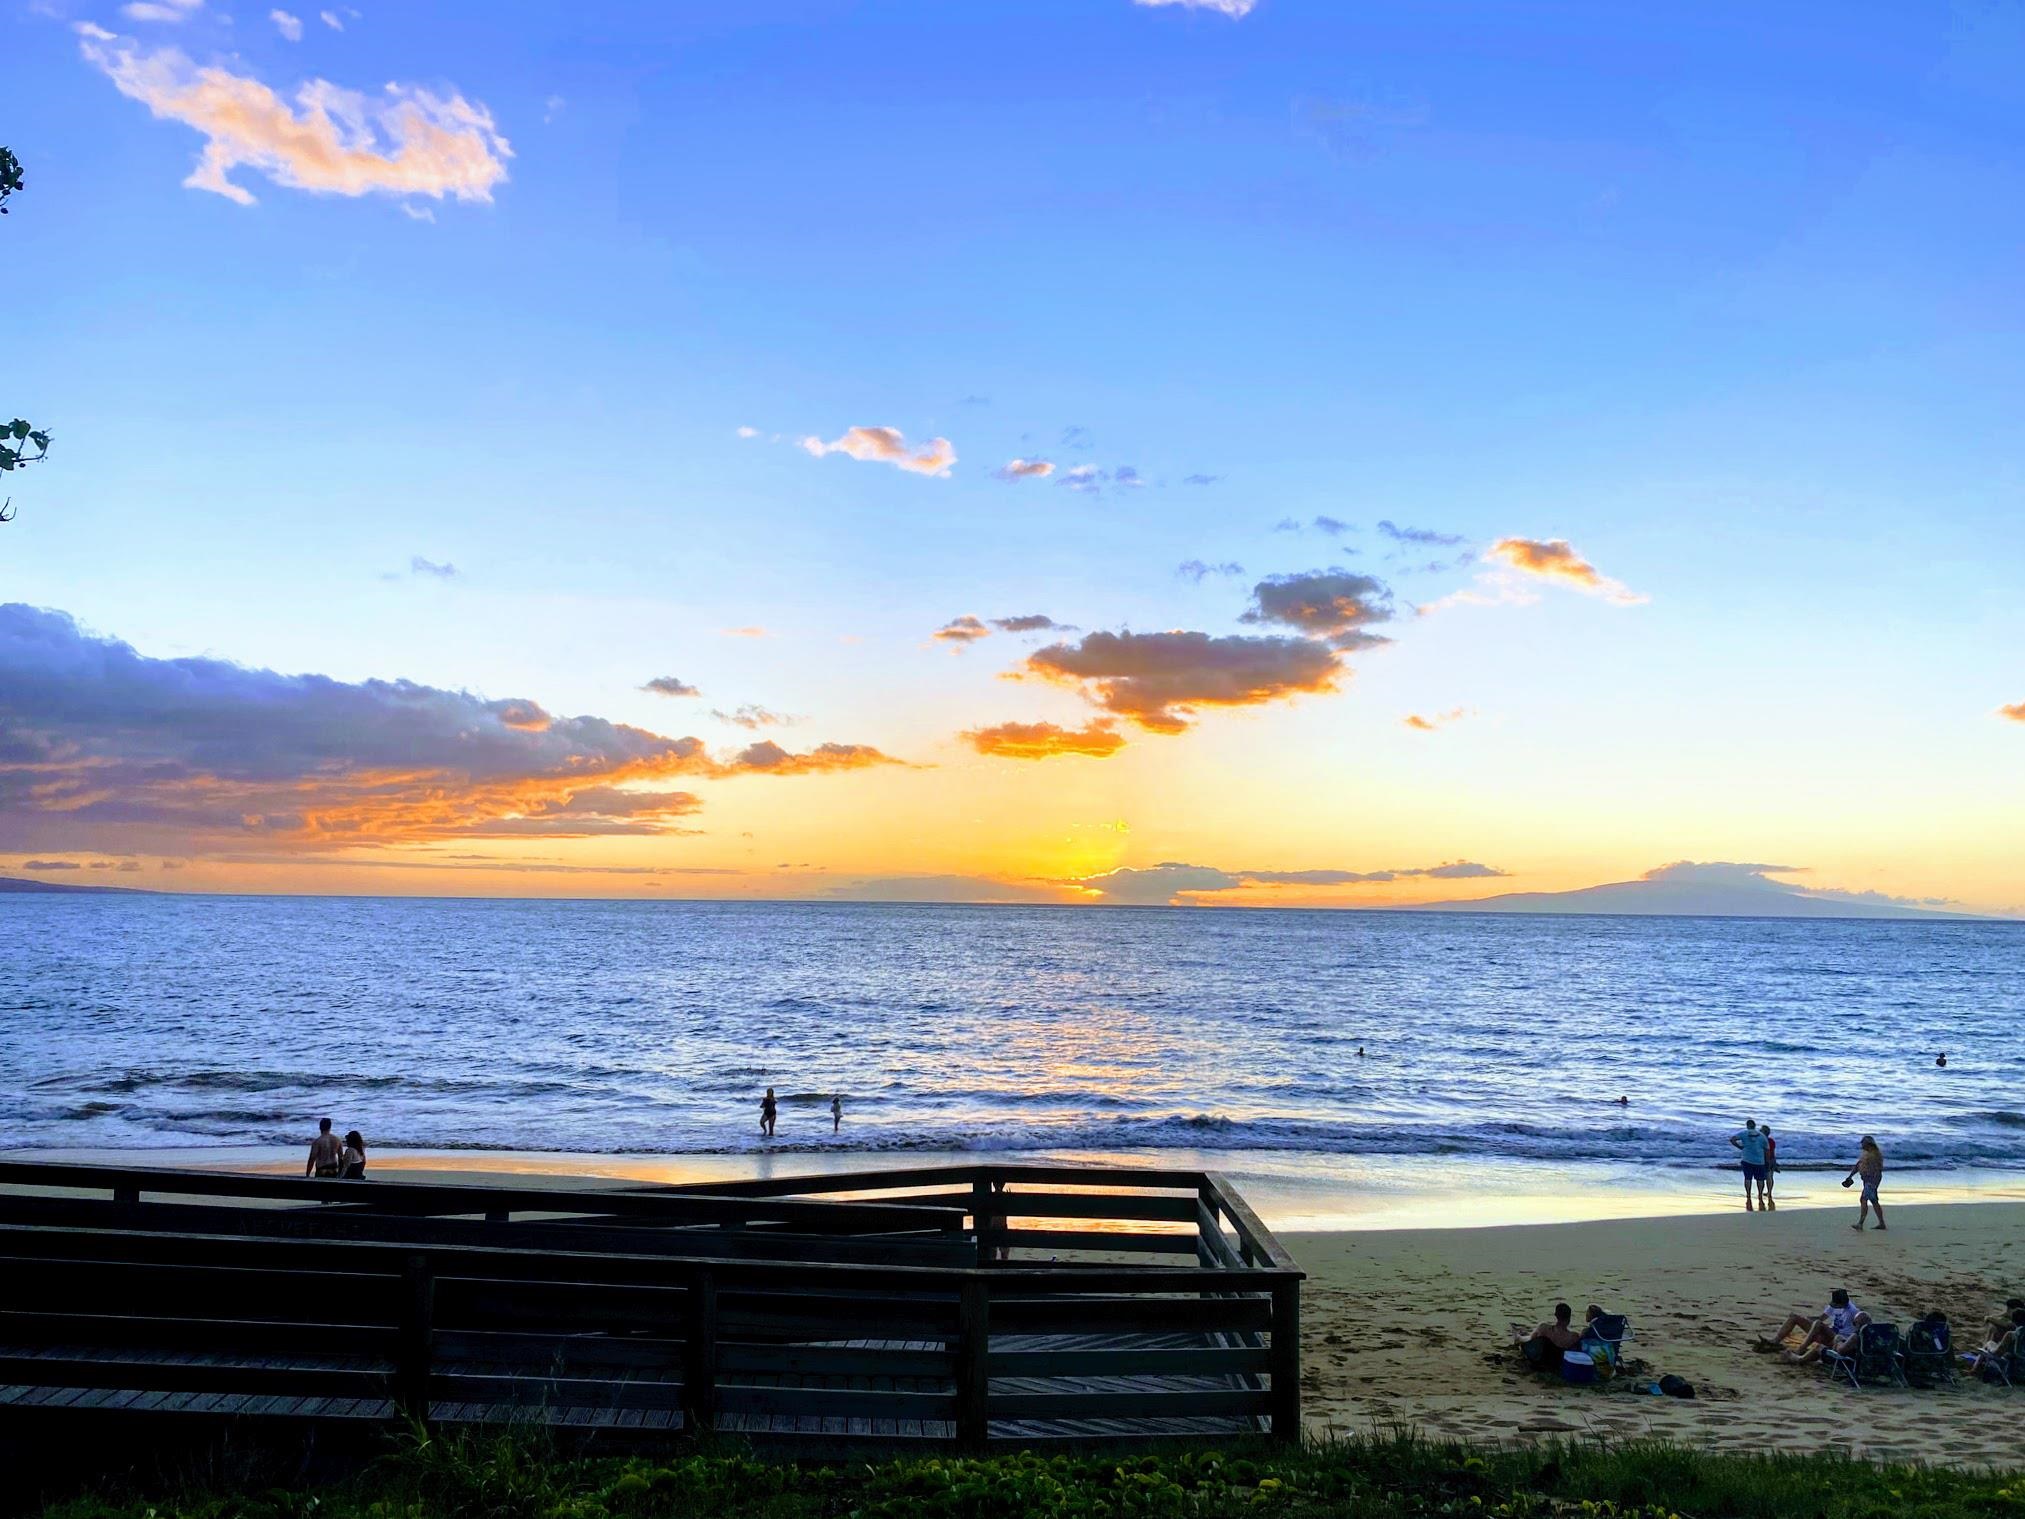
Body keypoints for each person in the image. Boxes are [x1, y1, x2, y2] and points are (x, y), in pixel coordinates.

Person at [1756, 1288, 1865, 1357]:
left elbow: (1860, 1329)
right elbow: (1821, 1318)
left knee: (1817, 1324)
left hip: (1839, 1339)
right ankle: (1775, 1341)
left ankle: (1801, 1350)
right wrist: (1806, 1320)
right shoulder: (1834, 1305)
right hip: (1829, 1332)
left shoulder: (1853, 1312)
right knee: (1794, 1317)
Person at [1961, 1307, 2024, 1379]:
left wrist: (1990, 1345)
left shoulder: (2010, 1334)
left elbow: (1998, 1353)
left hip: (2011, 1358)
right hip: (2022, 1359)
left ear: (2013, 1320)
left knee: (1989, 1344)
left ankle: (1974, 1370)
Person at [1522, 1302, 1584, 1371]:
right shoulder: (1574, 1337)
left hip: (1539, 1362)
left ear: (1555, 1315)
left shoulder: (1543, 1328)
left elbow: (1531, 1341)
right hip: (1556, 1366)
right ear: (1569, 1318)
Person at [1845, 1135, 1886, 1230]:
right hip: (1868, 1180)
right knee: (1874, 1201)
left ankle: (1860, 1223)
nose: (1862, 1145)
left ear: (1868, 1144)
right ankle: (1881, 1223)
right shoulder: (1866, 1153)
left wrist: (1871, 1183)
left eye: (1863, 1143)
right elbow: (1859, 1165)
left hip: (1871, 1180)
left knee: (1863, 1199)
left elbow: (1876, 1170)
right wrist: (1850, 1176)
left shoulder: (1874, 1155)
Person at [1729, 1119, 1770, 1211]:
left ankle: (1748, 1195)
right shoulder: (1762, 1135)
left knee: (1748, 1178)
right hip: (1759, 1160)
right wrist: (1767, 1161)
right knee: (1760, 1179)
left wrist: (1740, 1147)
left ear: (1747, 1126)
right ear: (1755, 1126)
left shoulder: (1744, 1133)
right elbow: (1767, 1149)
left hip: (1747, 1159)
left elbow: (1732, 1139)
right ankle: (1760, 1195)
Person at [1760, 1125, 1778, 1205]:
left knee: (1762, 1177)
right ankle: (1769, 1192)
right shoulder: (1771, 1140)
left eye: (1761, 1130)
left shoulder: (1761, 1140)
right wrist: (1774, 1160)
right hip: (1771, 1159)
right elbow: (1773, 1152)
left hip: (1763, 1160)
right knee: (1770, 1177)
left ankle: (1762, 1192)